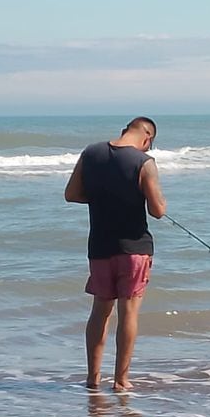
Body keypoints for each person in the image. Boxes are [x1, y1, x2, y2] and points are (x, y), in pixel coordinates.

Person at [65, 117, 167, 391]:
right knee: (129, 312)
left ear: (125, 131)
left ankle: (92, 379)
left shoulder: (91, 153)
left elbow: (71, 194)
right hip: (134, 248)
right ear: (147, 138)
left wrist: (104, 195)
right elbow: (157, 211)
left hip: (99, 247)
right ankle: (121, 380)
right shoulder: (144, 163)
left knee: (100, 312)